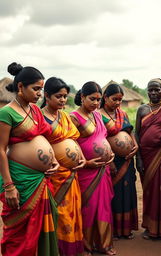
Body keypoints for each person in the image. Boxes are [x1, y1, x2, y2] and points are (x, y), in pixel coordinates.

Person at [0, 62, 59, 256]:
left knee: (42, 227)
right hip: (20, 180)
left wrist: (54, 161)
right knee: (18, 234)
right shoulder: (6, 113)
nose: (39, 94)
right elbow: (0, 149)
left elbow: (45, 138)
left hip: (40, 179)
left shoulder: (34, 110)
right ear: (20, 87)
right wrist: (9, 186)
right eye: (35, 89)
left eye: (41, 90)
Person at [41, 77, 86, 256]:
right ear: (47, 95)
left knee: (73, 213)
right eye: (58, 96)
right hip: (53, 176)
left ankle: (72, 250)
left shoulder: (65, 116)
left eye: (65, 96)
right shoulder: (39, 116)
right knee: (59, 215)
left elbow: (73, 139)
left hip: (71, 174)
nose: (62, 100)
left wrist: (81, 157)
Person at [70, 81, 116, 256]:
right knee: (88, 209)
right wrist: (87, 163)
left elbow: (103, 137)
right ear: (82, 97)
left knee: (103, 207)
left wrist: (110, 156)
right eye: (92, 99)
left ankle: (103, 244)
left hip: (103, 170)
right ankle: (86, 246)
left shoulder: (97, 115)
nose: (96, 103)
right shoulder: (73, 117)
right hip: (86, 172)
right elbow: (70, 145)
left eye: (98, 100)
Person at [135, 78, 161, 240]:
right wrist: (138, 157)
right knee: (149, 192)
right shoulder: (142, 110)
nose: (153, 92)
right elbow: (137, 133)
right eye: (150, 90)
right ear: (147, 91)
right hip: (145, 156)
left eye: (157, 89)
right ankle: (150, 226)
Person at [99, 81, 138, 239]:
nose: (117, 103)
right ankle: (114, 230)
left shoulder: (123, 114)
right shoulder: (98, 115)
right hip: (112, 162)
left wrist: (135, 146)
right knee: (114, 194)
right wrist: (111, 161)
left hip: (127, 160)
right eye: (114, 99)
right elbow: (100, 139)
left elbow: (130, 132)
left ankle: (126, 229)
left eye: (120, 100)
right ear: (105, 98)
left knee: (127, 191)